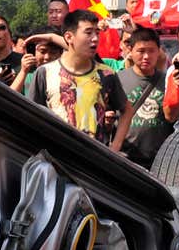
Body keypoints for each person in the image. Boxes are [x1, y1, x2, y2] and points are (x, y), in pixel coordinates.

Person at [29, 10, 132, 150]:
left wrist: (115, 146)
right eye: (88, 32)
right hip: (56, 159)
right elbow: (32, 115)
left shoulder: (106, 74)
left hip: (94, 161)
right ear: (69, 37)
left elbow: (126, 110)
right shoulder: (45, 72)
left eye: (97, 32)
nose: (95, 38)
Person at [116, 26, 177, 168]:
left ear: (159, 52)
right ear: (130, 51)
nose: (146, 56)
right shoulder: (118, 79)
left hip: (160, 160)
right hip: (125, 157)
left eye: (151, 51)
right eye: (141, 51)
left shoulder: (168, 80)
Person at [14, 28, 65, 95]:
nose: (47, 57)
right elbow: (10, 98)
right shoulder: (27, 76)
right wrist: (23, 72)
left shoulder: (67, 77)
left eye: (53, 52)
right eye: (42, 51)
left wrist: (52, 38)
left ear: (61, 53)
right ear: (33, 51)